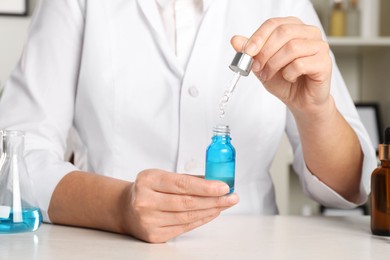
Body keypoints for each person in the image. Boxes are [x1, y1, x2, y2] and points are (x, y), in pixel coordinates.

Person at [0, 0, 376, 243]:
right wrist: (117, 207)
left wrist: (315, 110)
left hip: (250, 248)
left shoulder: (283, 3)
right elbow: (14, 157)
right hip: (105, 246)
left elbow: (350, 189)